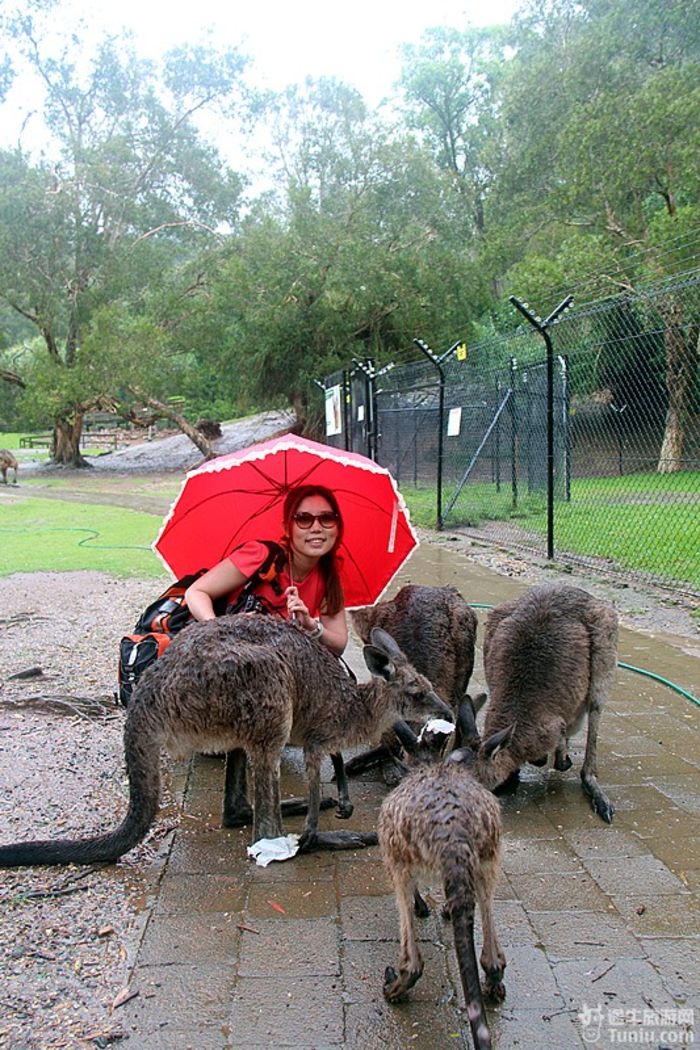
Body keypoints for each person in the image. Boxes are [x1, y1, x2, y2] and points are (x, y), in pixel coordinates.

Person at [184, 484, 348, 655]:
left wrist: (310, 625)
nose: (316, 528)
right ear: (287, 528)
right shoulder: (260, 556)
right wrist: (223, 632)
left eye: (327, 518)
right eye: (303, 519)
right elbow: (196, 592)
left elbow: (339, 644)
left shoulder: (327, 574)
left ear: (337, 527)